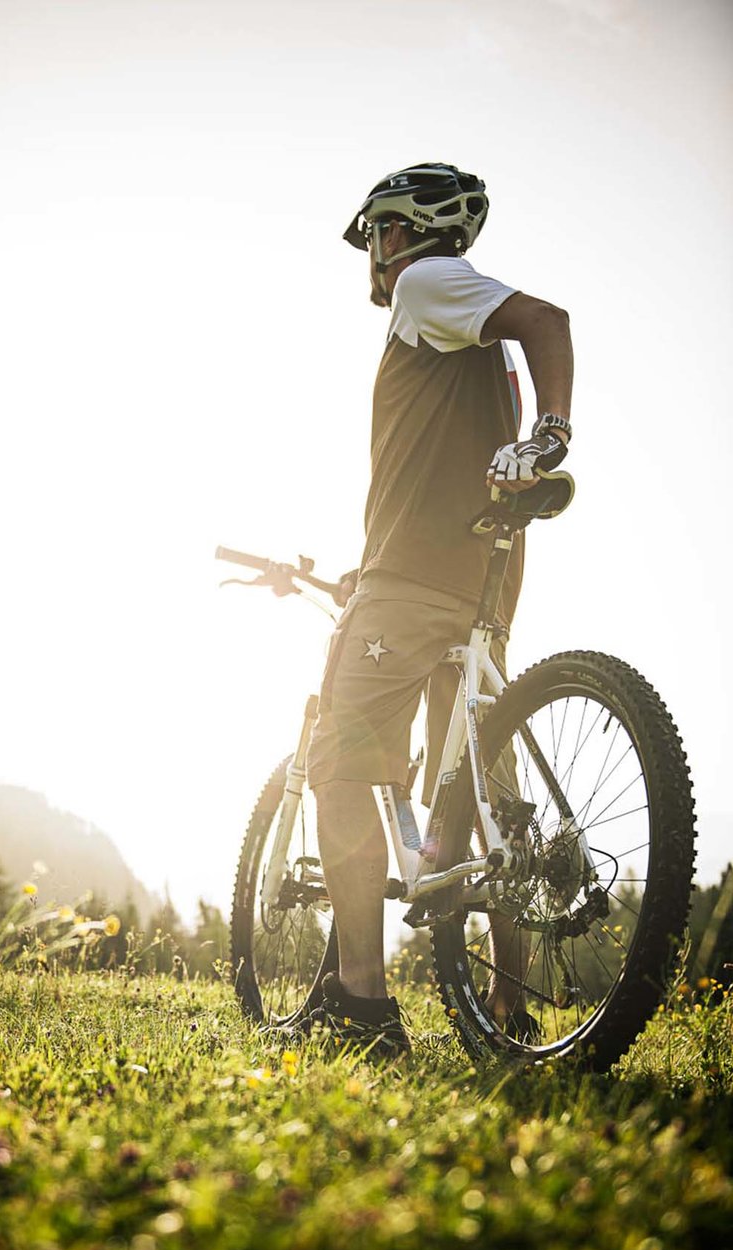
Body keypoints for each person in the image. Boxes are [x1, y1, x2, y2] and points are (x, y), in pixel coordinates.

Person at [304, 162, 574, 1052]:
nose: (371, 256)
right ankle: (504, 1007)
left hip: (412, 583)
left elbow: (548, 320)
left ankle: (360, 1003)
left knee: (342, 767)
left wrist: (553, 430)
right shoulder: (468, 339)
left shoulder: (426, 285)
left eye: (375, 233)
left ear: (406, 230)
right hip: (478, 588)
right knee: (480, 796)